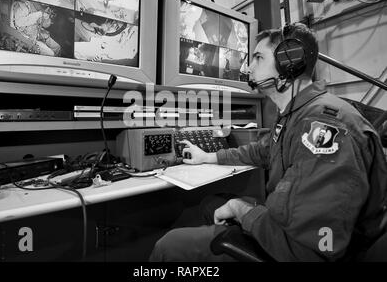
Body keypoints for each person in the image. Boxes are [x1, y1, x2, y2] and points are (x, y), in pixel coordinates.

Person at [150, 23, 387, 262]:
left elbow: (308, 252)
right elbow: (261, 151)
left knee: (168, 245)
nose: (248, 67)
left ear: (288, 64)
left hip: (296, 250)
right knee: (210, 203)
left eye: (258, 58)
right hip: (289, 225)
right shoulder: (296, 113)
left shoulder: (322, 127)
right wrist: (208, 157)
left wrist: (241, 209)